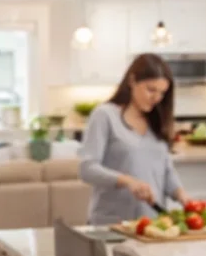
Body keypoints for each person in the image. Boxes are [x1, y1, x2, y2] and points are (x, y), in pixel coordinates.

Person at [78, 53, 190, 225]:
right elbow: (87, 169)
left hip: (152, 225)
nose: (156, 98)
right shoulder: (105, 115)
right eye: (151, 89)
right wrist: (127, 181)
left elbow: (166, 170)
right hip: (111, 224)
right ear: (132, 81)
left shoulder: (157, 121)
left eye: (162, 93)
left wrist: (181, 195)